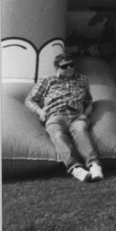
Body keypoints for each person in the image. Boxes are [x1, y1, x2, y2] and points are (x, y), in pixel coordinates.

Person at [24, 53, 103, 182]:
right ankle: (76, 168)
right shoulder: (48, 80)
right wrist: (41, 112)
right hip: (55, 115)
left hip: (76, 115)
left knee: (81, 131)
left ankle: (94, 165)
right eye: (65, 66)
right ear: (57, 67)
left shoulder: (83, 79)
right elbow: (30, 100)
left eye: (72, 65)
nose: (69, 68)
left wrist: (86, 113)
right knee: (58, 135)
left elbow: (88, 101)